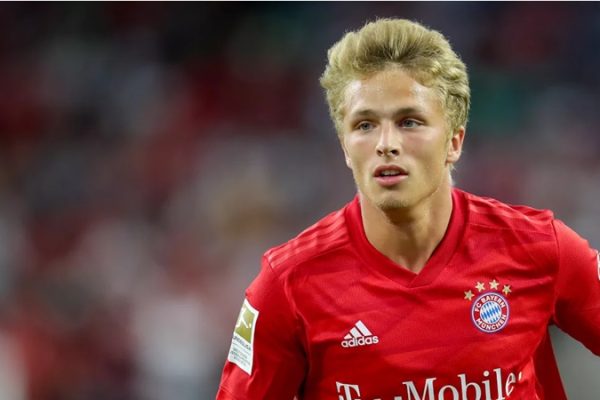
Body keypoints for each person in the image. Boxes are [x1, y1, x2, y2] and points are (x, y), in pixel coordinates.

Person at [215, 18, 600, 400]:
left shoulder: (538, 247)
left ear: (454, 142)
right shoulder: (288, 285)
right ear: (345, 147)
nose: (386, 143)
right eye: (365, 125)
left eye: (409, 122)